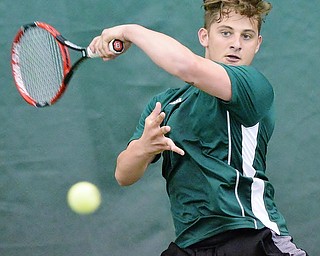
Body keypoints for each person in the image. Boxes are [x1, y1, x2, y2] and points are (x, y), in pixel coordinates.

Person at [89, 0, 308, 255]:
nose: (236, 43)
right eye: (226, 32)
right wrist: (144, 147)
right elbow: (123, 175)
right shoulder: (167, 104)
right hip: (190, 244)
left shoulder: (253, 86)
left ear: (257, 44)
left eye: (246, 36)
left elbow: (186, 66)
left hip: (250, 235)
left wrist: (130, 31)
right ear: (204, 36)